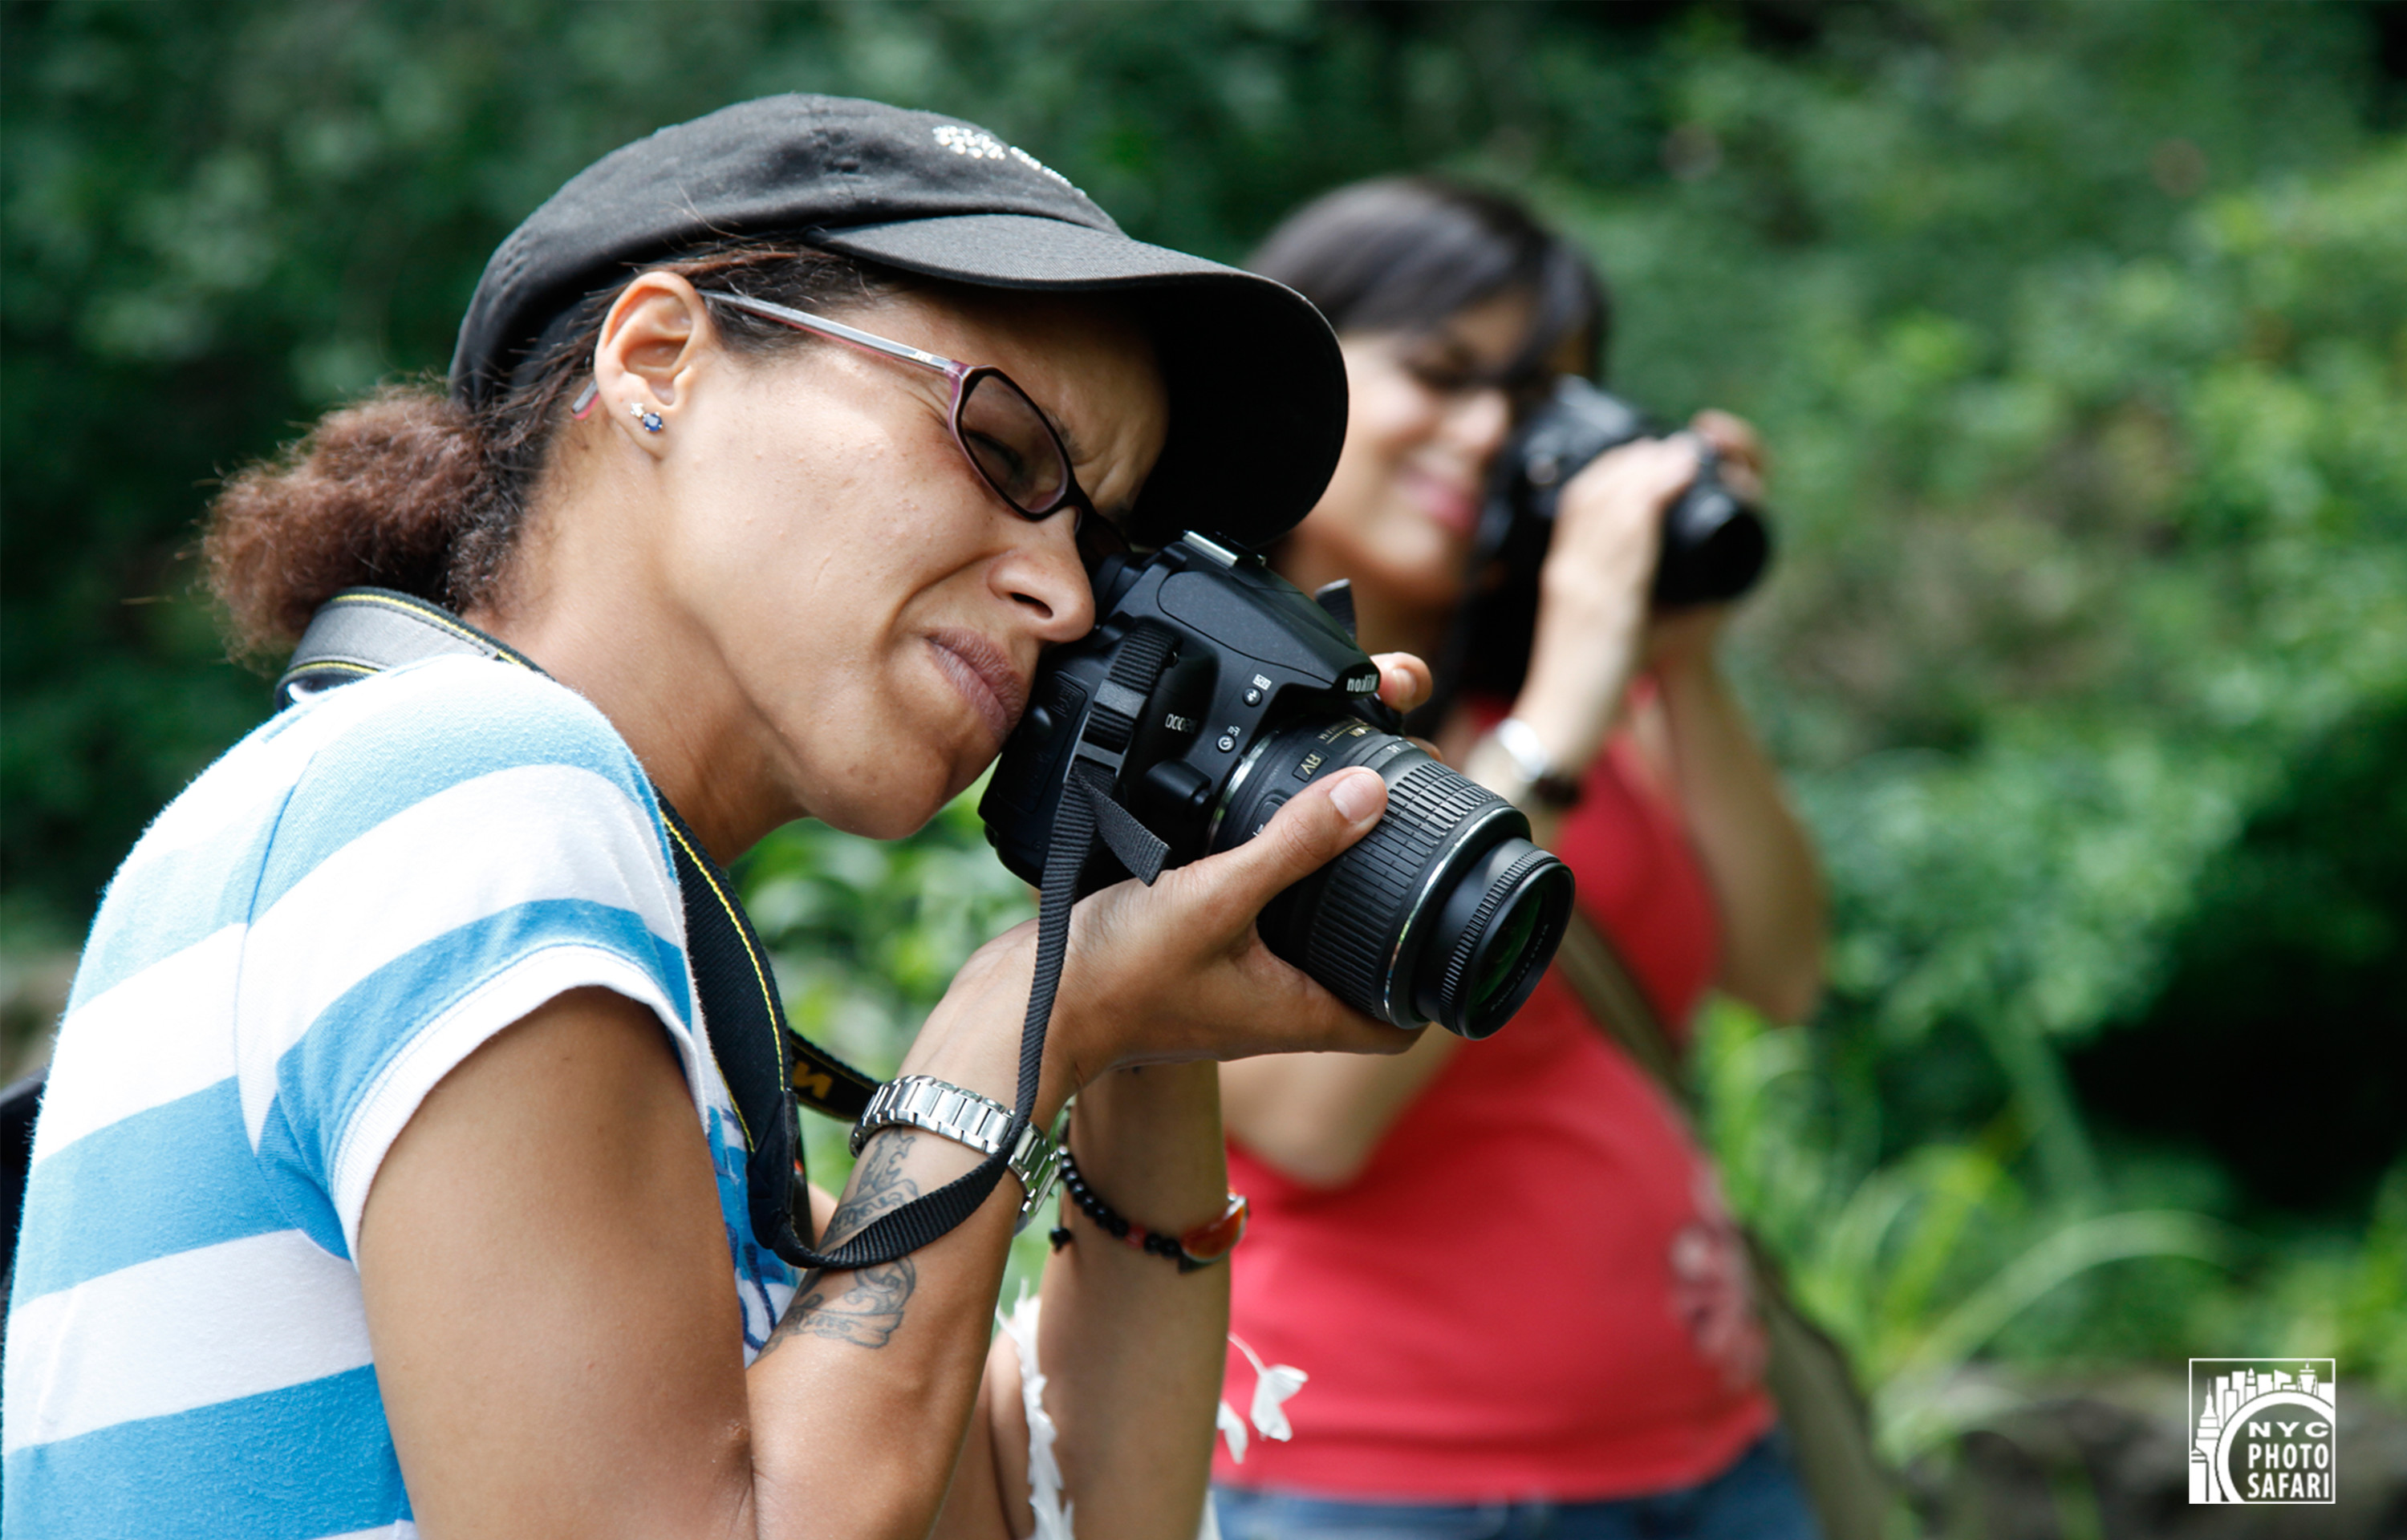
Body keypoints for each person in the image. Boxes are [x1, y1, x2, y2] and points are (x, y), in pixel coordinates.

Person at [2, 96, 1436, 1540]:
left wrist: (1140, 1013)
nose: (1065, 598)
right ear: (659, 362)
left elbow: (1066, 1511)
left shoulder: (450, 830)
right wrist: (1019, 1024)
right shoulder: (481, 793)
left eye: (1104, 548)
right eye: (1005, 450)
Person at [1211, 179, 1829, 1538]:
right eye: (1441, 374)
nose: (1487, 432)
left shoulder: (1575, 696)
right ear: (1303, 361)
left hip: (1713, 1450)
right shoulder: (1206, 706)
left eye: (1535, 403)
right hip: (1381, 1478)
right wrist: (1563, 709)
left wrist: (1682, 661)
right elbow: (1309, 1124)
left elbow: (1779, 973)